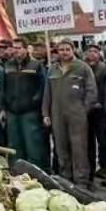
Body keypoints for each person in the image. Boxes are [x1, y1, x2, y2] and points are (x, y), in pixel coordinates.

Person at [42, 40, 99, 188]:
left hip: (77, 115)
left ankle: (81, 181)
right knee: (61, 148)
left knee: (79, 148)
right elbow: (47, 94)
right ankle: (65, 179)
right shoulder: (52, 69)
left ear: (73, 50)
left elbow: (91, 91)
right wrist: (46, 113)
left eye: (67, 49)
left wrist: (83, 110)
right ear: (57, 52)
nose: (64, 52)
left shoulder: (82, 68)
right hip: (57, 114)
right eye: (61, 50)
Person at [1, 38, 47, 169]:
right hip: (12, 112)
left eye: (19, 48)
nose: (16, 51)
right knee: (15, 145)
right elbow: (3, 88)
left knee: (33, 145)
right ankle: (17, 172)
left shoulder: (36, 65)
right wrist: (3, 107)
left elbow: (42, 88)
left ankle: (36, 172)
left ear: (26, 49)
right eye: (14, 48)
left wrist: (35, 103)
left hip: (30, 112)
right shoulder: (8, 65)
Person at [85, 43, 106, 183]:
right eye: (90, 51)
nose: (92, 54)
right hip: (87, 110)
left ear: (100, 54)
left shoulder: (105, 69)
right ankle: (91, 167)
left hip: (101, 110)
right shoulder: (83, 68)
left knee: (105, 141)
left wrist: (101, 103)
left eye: (95, 51)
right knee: (88, 141)